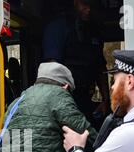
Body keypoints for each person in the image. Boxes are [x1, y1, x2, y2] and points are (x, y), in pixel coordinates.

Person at [42, 0, 110, 129]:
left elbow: (100, 68)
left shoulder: (92, 31)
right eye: (84, 4)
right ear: (74, 3)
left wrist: (105, 100)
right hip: (64, 98)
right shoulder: (57, 28)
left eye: (91, 5)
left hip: (86, 96)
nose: (88, 9)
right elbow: (51, 69)